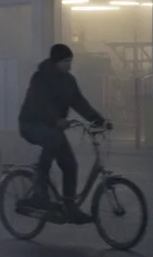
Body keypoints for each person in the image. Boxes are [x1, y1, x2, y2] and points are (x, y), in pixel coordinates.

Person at [17, 44, 109, 224]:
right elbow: (38, 104)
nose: (69, 65)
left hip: (53, 127)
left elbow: (79, 102)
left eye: (70, 61)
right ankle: (39, 191)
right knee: (53, 139)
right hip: (31, 124)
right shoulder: (40, 77)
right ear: (56, 61)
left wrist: (98, 120)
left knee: (70, 164)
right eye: (66, 61)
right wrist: (55, 119)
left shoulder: (69, 81)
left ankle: (70, 207)